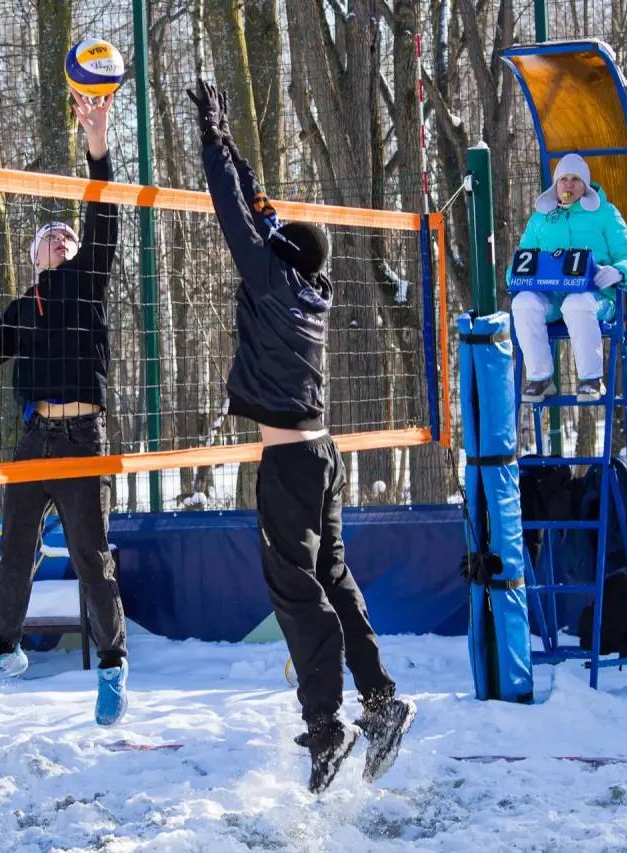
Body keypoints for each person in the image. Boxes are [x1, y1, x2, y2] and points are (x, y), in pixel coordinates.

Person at [187, 79, 415, 794]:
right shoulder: (311, 287)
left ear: (279, 257)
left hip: (290, 460)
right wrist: (230, 144)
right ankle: (380, 702)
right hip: (322, 452)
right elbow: (262, 212)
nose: (266, 237)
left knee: (297, 589)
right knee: (335, 582)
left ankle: (328, 724)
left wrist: (210, 140)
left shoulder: (274, 283)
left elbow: (236, 213)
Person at [0, 92, 128, 726]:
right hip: (33, 440)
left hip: (81, 441)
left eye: (66, 234)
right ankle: (3, 648)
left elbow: (103, 219)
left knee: (92, 560)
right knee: (14, 550)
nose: (61, 239)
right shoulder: (24, 307)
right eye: (49, 237)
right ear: (34, 257)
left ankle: (113, 665)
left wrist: (97, 148)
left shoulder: (88, 283)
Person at [510, 153, 627, 402]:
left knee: (577, 303)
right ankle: (540, 379)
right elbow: (521, 261)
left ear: (585, 185)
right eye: (563, 179)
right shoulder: (540, 219)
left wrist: (618, 271)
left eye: (575, 180)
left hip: (595, 296)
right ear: (555, 185)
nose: (568, 185)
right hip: (552, 297)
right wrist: (515, 277)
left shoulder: (605, 213)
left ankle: (591, 379)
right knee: (523, 302)